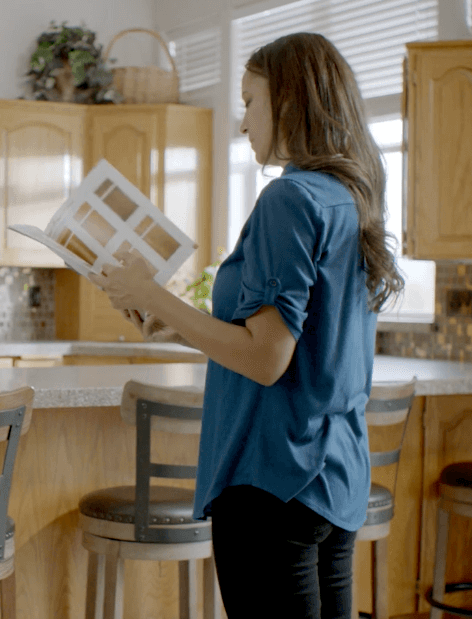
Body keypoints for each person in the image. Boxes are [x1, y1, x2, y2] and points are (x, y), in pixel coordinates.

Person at [91, 31, 403, 618]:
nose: (243, 123)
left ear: (289, 102)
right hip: (332, 478)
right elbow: (296, 346)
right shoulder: (348, 197)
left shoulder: (288, 199)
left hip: (271, 478)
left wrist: (151, 292)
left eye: (249, 102)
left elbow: (266, 359)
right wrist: (177, 323)